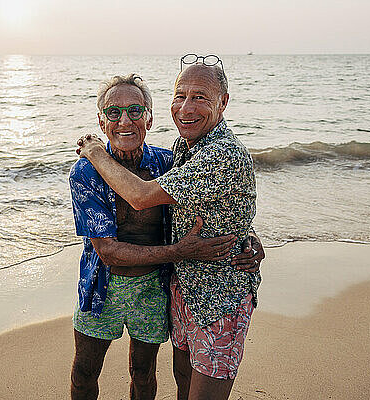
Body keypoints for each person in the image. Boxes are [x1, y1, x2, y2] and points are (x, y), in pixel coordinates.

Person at [76, 57, 263, 400]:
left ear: (149, 117)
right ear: (102, 121)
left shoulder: (183, 158)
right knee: (88, 372)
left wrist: (94, 151)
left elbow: (142, 196)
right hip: (152, 290)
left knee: (147, 374)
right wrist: (245, 234)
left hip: (210, 298)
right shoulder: (179, 151)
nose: (125, 121)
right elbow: (107, 250)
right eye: (180, 96)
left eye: (135, 110)